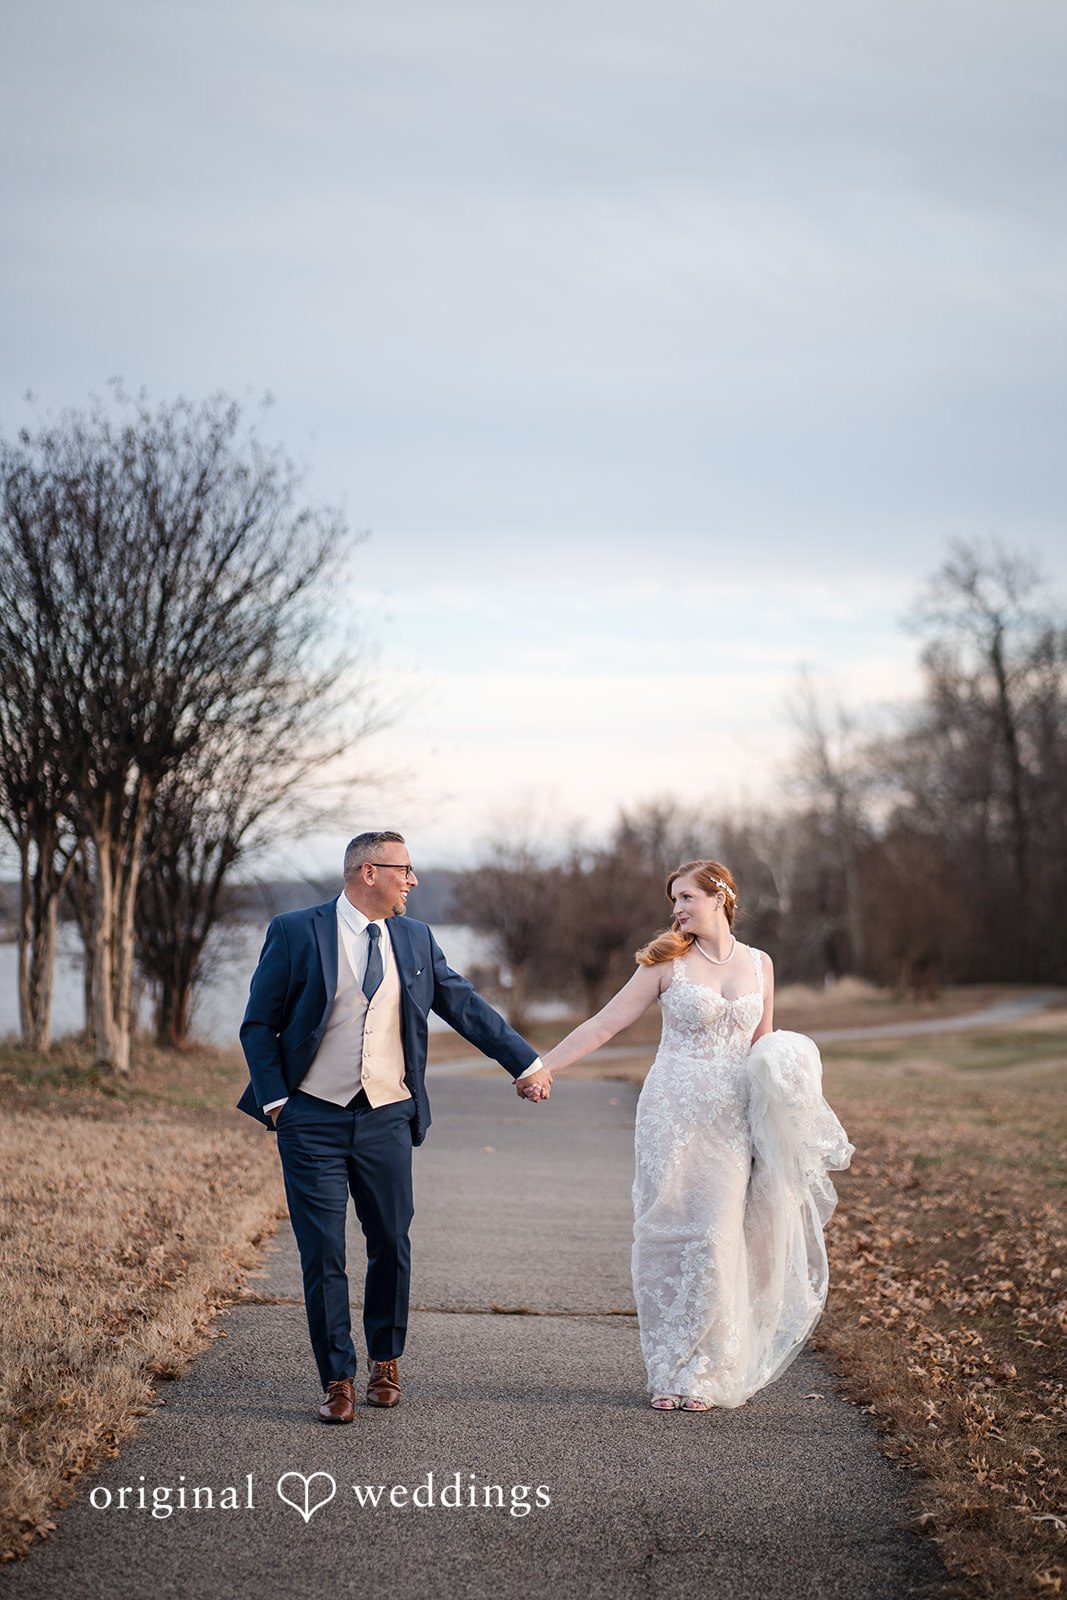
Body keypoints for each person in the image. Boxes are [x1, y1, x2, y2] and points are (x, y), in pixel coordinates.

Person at [236, 830, 554, 1424]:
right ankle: (336, 1377)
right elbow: (258, 1024)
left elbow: (463, 1005)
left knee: (390, 1243)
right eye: (404, 870)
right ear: (369, 873)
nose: (413, 880)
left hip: (386, 1115)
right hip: (311, 1118)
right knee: (323, 1252)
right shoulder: (296, 931)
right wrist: (279, 1103)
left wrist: (526, 1063)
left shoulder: (415, 937)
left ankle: (385, 1359)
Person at [536, 858, 855, 1412]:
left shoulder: (761, 964)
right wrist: (545, 1065)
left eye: (686, 897)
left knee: (716, 1235)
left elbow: (762, 1042)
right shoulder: (666, 962)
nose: (677, 909)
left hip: (733, 1120)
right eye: (674, 900)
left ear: (720, 898)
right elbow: (606, 1023)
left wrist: (789, 1083)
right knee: (667, 1233)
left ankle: (708, 1370)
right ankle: (669, 1369)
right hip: (671, 1114)